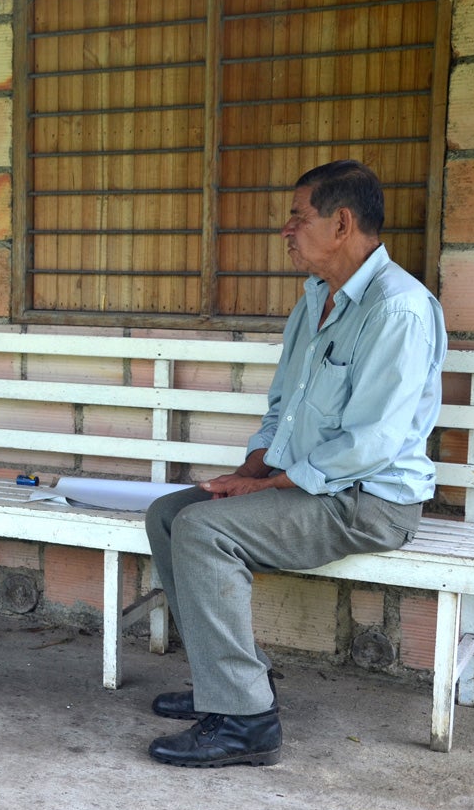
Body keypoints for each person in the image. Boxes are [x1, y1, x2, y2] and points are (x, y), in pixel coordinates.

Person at [144, 160, 447, 767]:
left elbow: (372, 443)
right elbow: (282, 406)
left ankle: (246, 721)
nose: (286, 229)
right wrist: (251, 472)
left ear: (341, 223)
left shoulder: (398, 310)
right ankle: (231, 681)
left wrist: (271, 484)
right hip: (312, 488)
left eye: (297, 216)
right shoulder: (315, 301)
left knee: (204, 531)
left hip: (370, 502)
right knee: (170, 514)